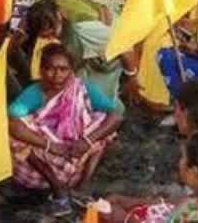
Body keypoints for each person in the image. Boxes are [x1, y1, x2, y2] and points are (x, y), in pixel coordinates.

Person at [9, 43, 124, 217]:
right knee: (14, 131)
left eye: (63, 69)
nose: (57, 75)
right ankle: (57, 188)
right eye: (51, 69)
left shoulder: (81, 88)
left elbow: (116, 116)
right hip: (43, 166)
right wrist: (51, 146)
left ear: (71, 71)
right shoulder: (34, 93)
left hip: (76, 155)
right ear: (41, 70)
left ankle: (83, 185)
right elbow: (13, 124)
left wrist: (87, 141)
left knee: (103, 121)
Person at [101, 130, 198, 223]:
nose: (180, 162)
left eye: (183, 157)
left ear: (193, 172)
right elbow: (178, 201)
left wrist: (125, 219)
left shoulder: (192, 213)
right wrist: (133, 202)